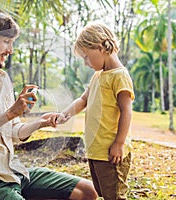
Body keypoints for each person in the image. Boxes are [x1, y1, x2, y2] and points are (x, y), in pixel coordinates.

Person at [0, 10, 98, 200]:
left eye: (12, 43)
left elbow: (13, 132)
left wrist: (40, 122)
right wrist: (9, 114)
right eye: (6, 41)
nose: (10, 50)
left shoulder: (2, 78)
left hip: (13, 172)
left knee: (87, 192)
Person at [56, 23, 135, 200]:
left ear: (100, 47)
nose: (85, 63)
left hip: (111, 152)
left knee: (114, 195)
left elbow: (126, 111)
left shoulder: (119, 76)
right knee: (103, 192)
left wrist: (119, 144)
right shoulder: (98, 75)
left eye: (86, 57)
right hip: (97, 151)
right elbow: (83, 100)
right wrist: (65, 114)